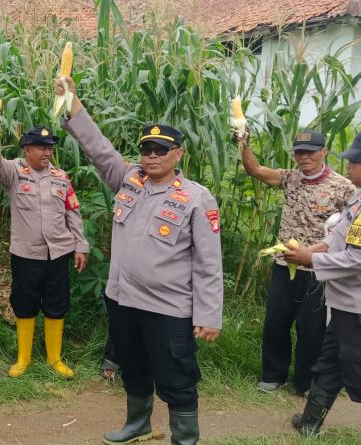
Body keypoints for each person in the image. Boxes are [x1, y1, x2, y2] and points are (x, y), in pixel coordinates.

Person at [58, 76, 223, 445]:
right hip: (122, 300)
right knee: (133, 368)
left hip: (168, 308)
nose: (151, 156)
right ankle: (138, 425)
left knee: (177, 377)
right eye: (146, 149)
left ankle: (185, 439)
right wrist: (73, 103)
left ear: (178, 153)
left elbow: (209, 264)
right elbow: (98, 148)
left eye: (161, 150)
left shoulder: (197, 198)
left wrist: (209, 315)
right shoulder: (128, 179)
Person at [236, 129, 354, 395]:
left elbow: (349, 226)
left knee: (311, 330)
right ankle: (272, 375)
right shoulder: (290, 178)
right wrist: (243, 144)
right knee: (276, 323)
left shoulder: (343, 186)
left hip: (317, 268)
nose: (304, 157)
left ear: (324, 151)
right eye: (299, 152)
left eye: (310, 151)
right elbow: (255, 170)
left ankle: (306, 382)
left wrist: (319, 254)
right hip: (284, 265)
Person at [0, 113, 90, 379]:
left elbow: (72, 212)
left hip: (58, 253)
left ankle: (55, 359)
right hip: (26, 255)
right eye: (42, 147)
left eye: (50, 148)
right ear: (27, 149)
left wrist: (81, 245)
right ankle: (23, 359)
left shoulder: (61, 177)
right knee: (25, 303)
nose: (47, 152)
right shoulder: (15, 172)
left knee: (57, 303)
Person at [283, 135, 361, 436]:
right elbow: (339, 237)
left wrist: (310, 261)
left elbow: (356, 259)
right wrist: (314, 250)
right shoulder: (357, 196)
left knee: (354, 366)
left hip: (356, 307)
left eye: (354, 161)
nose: (349, 165)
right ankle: (309, 424)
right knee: (330, 363)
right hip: (343, 303)